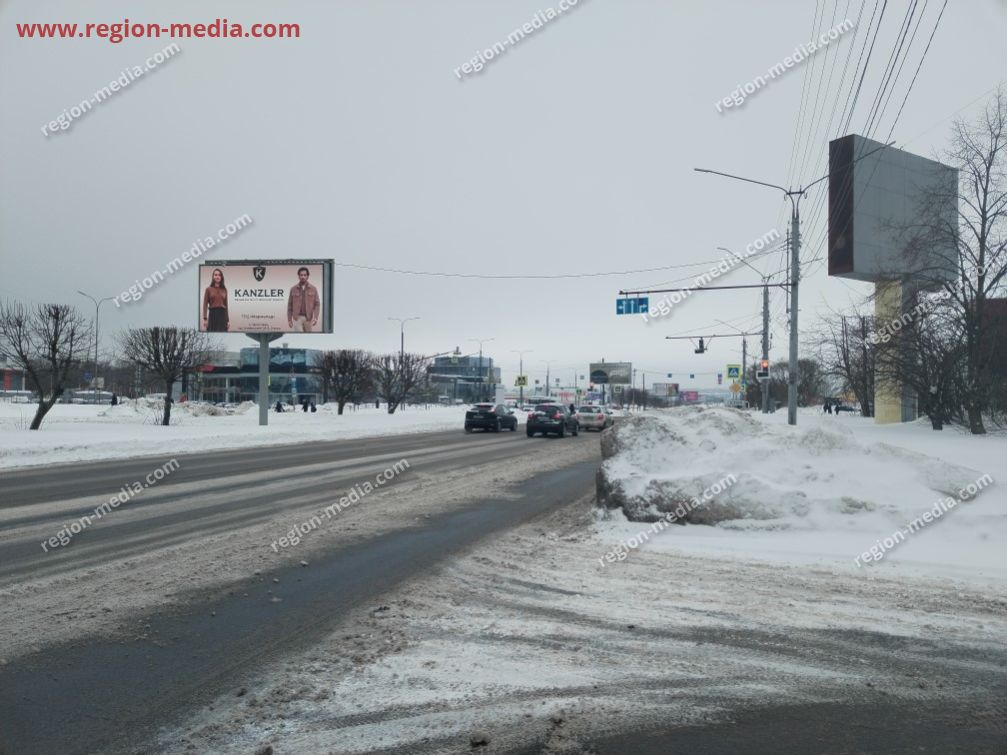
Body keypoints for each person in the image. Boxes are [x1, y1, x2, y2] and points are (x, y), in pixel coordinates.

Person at [287, 267, 320, 333]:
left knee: (308, 337)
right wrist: (289, 320)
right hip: (297, 318)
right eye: (301, 275)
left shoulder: (313, 289)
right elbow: (290, 305)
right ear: (298, 276)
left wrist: (315, 317)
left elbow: (317, 304)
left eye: (305, 275)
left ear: (307, 276)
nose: (303, 277)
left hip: (308, 318)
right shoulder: (293, 289)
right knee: (298, 334)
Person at [202, 268, 229, 332]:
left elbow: (226, 306)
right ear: (213, 277)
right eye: (215, 275)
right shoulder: (208, 289)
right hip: (213, 314)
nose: (217, 277)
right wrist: (205, 319)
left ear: (221, 277)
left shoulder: (224, 290)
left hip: (222, 315)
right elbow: (205, 304)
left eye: (219, 275)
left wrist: (227, 321)